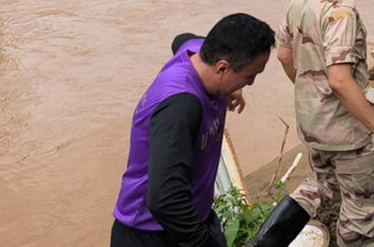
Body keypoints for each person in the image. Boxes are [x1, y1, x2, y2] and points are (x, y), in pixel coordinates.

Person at [249, 0, 374, 247]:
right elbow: (340, 79)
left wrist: (312, 97)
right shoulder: (342, 8)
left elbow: (285, 55)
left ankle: (264, 244)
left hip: (312, 123)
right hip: (345, 132)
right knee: (363, 208)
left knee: (323, 186)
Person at [111, 14, 275, 247]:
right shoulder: (180, 107)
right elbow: (164, 201)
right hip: (151, 233)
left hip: (196, 216)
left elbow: (182, 39)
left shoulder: (199, 51)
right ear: (222, 68)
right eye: (250, 77)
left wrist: (230, 89)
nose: (249, 84)